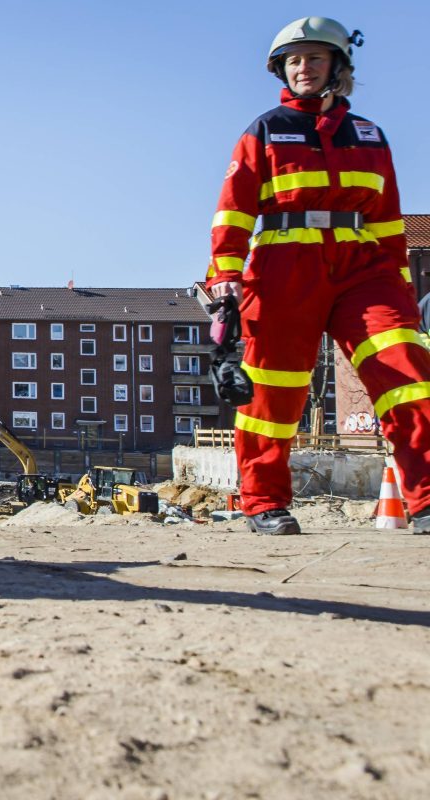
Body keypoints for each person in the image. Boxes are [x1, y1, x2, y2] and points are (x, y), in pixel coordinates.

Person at [207, 17, 430, 535]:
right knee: (272, 391)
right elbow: (233, 211)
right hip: (285, 267)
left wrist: (400, 285)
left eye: (313, 58)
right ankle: (264, 504)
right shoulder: (263, 130)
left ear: (338, 66)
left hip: (365, 271)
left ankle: (425, 500)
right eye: (293, 60)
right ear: (281, 69)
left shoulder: (371, 136)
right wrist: (225, 275)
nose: (303, 68)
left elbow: (389, 219)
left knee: (408, 375)